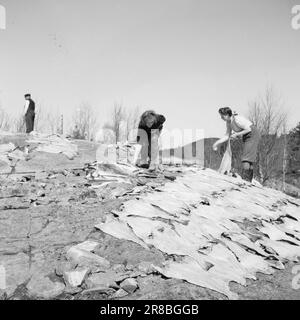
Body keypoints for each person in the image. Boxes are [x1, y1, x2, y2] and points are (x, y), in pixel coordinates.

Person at [212, 107, 260, 182]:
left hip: (253, 134)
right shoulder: (228, 123)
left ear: (227, 114)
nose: (221, 118)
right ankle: (249, 180)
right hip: (247, 135)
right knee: (248, 158)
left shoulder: (237, 119)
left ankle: (246, 180)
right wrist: (217, 143)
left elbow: (249, 129)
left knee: (246, 159)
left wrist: (237, 134)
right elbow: (227, 135)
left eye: (222, 116)